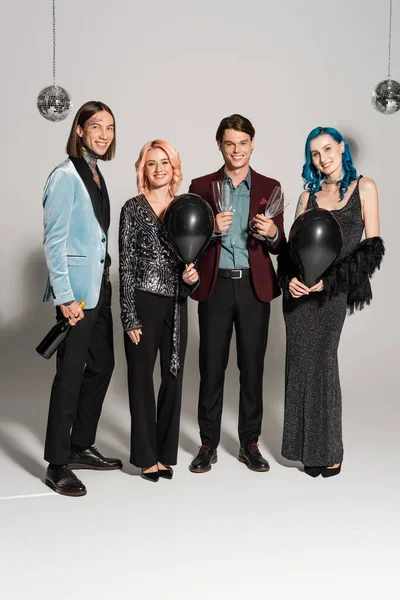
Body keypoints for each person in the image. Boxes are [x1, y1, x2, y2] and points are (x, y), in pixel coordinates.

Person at [278, 126, 384, 477]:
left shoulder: (364, 188)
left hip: (332, 293)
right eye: (314, 153)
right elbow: (290, 253)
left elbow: (372, 249)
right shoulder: (306, 197)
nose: (322, 158)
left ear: (341, 147)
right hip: (299, 298)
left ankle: (330, 450)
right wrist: (290, 280)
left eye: (326, 149)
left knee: (322, 363)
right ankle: (305, 450)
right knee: (299, 366)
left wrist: (328, 283)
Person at [188, 114, 286, 474]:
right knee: (211, 367)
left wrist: (273, 231)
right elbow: (187, 243)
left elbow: (281, 247)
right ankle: (207, 445)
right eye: (230, 143)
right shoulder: (200, 186)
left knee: (252, 369)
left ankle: (250, 444)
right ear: (220, 146)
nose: (237, 150)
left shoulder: (269, 187)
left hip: (253, 288)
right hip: (214, 287)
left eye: (243, 143)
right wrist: (211, 231)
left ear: (253, 144)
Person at [42, 101, 122, 497]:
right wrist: (64, 296)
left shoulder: (96, 172)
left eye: (110, 127)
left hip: (100, 288)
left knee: (102, 365)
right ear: (78, 129)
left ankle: (79, 445)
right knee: (70, 376)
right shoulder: (65, 176)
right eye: (96, 126)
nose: (104, 134)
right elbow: (54, 241)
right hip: (75, 294)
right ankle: (57, 464)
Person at [119, 140, 198, 482]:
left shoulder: (186, 207)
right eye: (151, 163)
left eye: (164, 162)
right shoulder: (132, 208)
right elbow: (124, 264)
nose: (158, 168)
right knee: (140, 379)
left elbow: (192, 259)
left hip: (177, 300)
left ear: (174, 167)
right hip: (143, 298)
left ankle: (165, 455)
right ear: (143, 170)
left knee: (173, 377)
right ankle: (145, 456)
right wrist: (128, 314)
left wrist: (192, 279)